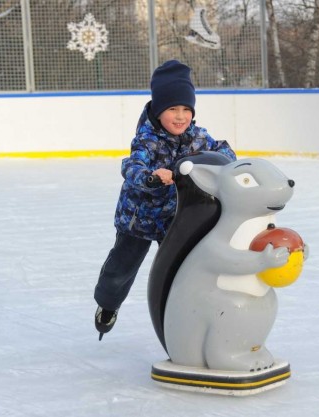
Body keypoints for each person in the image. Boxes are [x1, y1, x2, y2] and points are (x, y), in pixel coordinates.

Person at [94, 60, 236, 340]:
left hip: (174, 218)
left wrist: (229, 166)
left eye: (186, 109)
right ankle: (108, 304)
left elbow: (223, 151)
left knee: (181, 267)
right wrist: (150, 178)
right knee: (121, 268)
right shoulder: (147, 139)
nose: (180, 116)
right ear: (159, 111)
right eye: (173, 109)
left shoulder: (197, 137)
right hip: (139, 219)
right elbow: (131, 166)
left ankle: (186, 316)